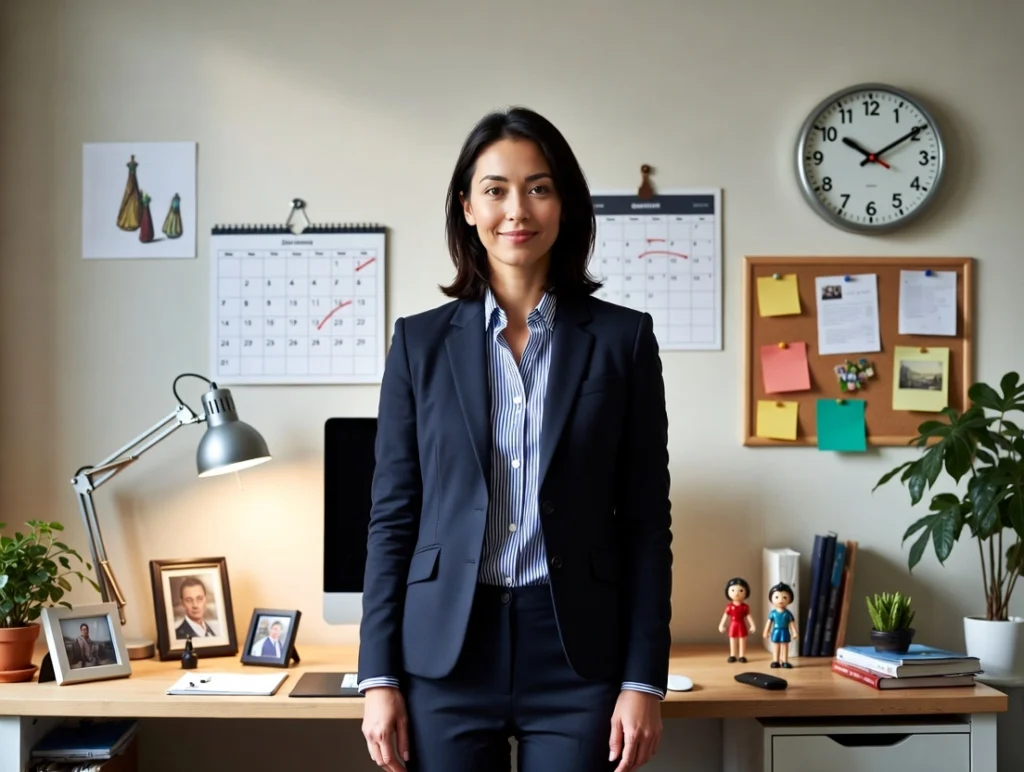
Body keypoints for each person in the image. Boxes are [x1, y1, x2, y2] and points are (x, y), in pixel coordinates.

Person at [357, 106, 673, 772]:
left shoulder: (624, 341)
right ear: (467, 207)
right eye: (495, 189)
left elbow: (647, 525)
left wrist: (644, 680)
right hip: (445, 650)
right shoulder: (419, 344)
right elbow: (392, 518)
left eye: (539, 187)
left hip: (577, 654)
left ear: (565, 206)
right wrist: (377, 676)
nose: (516, 209)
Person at [718, 577, 756, 662]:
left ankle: (742, 655)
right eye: (733, 590)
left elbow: (749, 616)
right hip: (733, 625)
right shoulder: (729, 607)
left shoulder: (745, 607)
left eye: (741, 591)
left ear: (746, 592)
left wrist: (752, 625)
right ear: (728, 592)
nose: (736, 593)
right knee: (732, 639)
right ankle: (733, 655)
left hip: (741, 624)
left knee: (742, 639)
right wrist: (721, 625)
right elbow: (725, 616)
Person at [762, 582, 798, 668]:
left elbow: (792, 624)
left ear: (790, 599)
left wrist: (794, 632)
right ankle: (776, 661)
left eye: (784, 597)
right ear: (771, 598)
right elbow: (769, 623)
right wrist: (766, 631)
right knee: (776, 646)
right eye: (777, 597)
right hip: (776, 631)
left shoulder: (788, 614)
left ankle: (785, 661)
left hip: (785, 631)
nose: (780, 600)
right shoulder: (773, 613)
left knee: (785, 645)